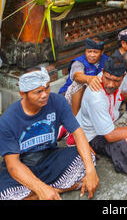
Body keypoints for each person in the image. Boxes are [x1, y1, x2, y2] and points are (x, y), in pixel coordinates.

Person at [0, 67, 99, 201]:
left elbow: (78, 133)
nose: (45, 94)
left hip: (50, 158)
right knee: (4, 194)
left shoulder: (57, 101)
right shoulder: (7, 120)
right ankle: (52, 190)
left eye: (47, 88)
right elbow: (13, 165)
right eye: (38, 91)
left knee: (88, 156)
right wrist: (40, 187)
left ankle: (39, 194)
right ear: (23, 94)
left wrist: (91, 171)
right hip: (23, 166)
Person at [58, 38, 107, 144]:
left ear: (102, 52)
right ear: (85, 51)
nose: (92, 55)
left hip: (89, 99)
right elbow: (77, 76)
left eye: (95, 52)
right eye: (89, 51)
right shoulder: (78, 62)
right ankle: (75, 125)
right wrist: (89, 79)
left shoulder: (106, 60)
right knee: (80, 83)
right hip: (67, 97)